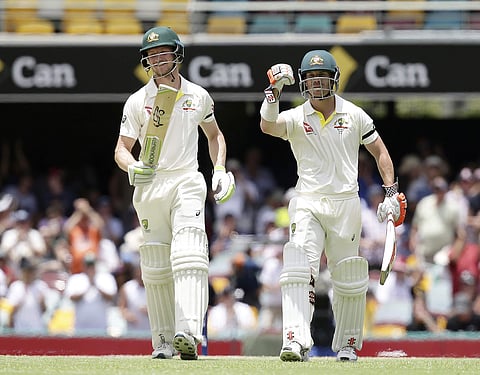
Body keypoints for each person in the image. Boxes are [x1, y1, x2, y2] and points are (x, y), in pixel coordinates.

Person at [258, 50, 407, 362]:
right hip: (307, 201)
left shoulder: (354, 114)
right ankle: (295, 340)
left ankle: (348, 343)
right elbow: (267, 127)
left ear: (334, 79)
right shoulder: (297, 116)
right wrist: (273, 95)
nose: (316, 83)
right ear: (303, 82)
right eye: (310, 78)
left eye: (322, 77)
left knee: (348, 274)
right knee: (299, 265)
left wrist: (391, 192)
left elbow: (379, 151)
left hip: (345, 203)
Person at [113, 26, 235, 360]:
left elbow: (214, 136)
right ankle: (164, 342)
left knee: (190, 250)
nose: (157, 59)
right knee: (155, 265)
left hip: (186, 179)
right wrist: (131, 166)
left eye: (163, 53)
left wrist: (220, 168)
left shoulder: (197, 95)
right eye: (152, 55)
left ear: (177, 54)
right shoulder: (138, 101)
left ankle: (190, 332)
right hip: (150, 185)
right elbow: (122, 149)